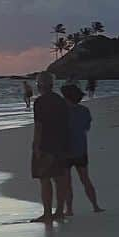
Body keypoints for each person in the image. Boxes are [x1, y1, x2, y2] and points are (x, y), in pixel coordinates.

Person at [30, 72, 69, 223]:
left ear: (40, 85)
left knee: (45, 178)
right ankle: (59, 211)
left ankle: (47, 213)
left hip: (46, 144)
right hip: (61, 143)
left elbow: (39, 126)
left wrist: (36, 145)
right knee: (59, 179)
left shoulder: (40, 102)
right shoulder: (61, 101)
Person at [60, 83, 104, 214]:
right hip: (81, 149)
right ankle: (95, 206)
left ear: (67, 97)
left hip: (65, 151)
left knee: (67, 183)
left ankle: (69, 209)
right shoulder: (84, 110)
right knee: (85, 179)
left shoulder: (61, 112)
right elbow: (86, 128)